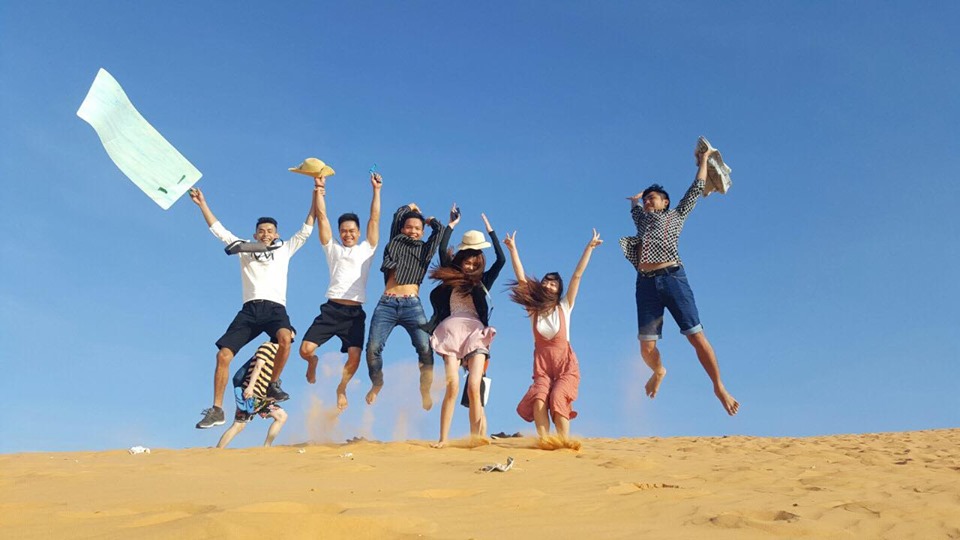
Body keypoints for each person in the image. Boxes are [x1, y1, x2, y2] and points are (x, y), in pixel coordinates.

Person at [620, 147, 739, 416]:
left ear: (665, 203)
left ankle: (719, 386)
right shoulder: (642, 221)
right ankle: (659, 370)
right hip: (645, 285)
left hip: (673, 278)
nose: (648, 202)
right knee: (646, 347)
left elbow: (696, 188)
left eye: (653, 198)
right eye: (646, 199)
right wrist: (635, 201)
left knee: (695, 336)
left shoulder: (676, 215)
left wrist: (705, 160)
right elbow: (635, 210)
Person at [190, 184, 315, 429]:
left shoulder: (284, 249)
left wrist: (316, 194)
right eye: (261, 231)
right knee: (223, 355)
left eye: (270, 231)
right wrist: (202, 204)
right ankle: (217, 410)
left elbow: (307, 229)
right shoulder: (245, 248)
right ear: (255, 235)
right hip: (249, 310)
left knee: (285, 338)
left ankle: (273, 384)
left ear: (276, 234)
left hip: (275, 309)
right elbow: (219, 231)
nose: (266, 234)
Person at [505, 229, 602, 441]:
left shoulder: (564, 306)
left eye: (554, 283)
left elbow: (577, 276)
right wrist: (513, 249)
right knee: (539, 399)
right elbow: (521, 279)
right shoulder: (534, 310)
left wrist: (589, 248)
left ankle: (563, 441)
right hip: (542, 367)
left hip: (565, 366)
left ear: (558, 290)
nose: (549, 285)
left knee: (558, 396)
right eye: (546, 282)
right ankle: (545, 441)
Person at [422, 208, 505, 448]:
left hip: (475, 333)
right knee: (452, 385)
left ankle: (475, 439)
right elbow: (442, 250)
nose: (469, 266)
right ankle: (443, 439)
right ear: (460, 262)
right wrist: (451, 225)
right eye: (466, 262)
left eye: (474, 263)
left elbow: (501, 260)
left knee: (473, 386)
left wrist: (491, 232)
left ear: (479, 263)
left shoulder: (483, 281)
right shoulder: (451, 277)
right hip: (450, 332)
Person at [299, 172, 381, 411]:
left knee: (355, 356)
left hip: (354, 314)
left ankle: (341, 388)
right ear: (339, 232)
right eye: (344, 230)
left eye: (352, 230)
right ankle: (312, 362)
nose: (348, 234)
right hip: (331, 310)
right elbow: (322, 217)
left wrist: (376, 190)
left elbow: (374, 219)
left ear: (358, 232)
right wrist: (319, 189)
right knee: (305, 350)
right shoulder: (332, 248)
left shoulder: (367, 248)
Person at [364, 201, 444, 408]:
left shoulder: (425, 250)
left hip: (412, 305)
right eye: (409, 227)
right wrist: (409, 208)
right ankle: (377, 383)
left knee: (425, 348)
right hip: (387, 304)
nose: (413, 231)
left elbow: (440, 232)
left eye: (417, 229)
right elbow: (397, 216)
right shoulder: (395, 243)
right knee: (373, 348)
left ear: (423, 232)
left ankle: (425, 389)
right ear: (402, 229)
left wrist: (430, 221)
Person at [216, 340, 288, 448]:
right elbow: (258, 366)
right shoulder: (268, 347)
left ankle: (266, 447)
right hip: (251, 394)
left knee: (281, 416)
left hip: (263, 397)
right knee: (239, 425)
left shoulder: (280, 355)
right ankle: (218, 450)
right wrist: (250, 387)